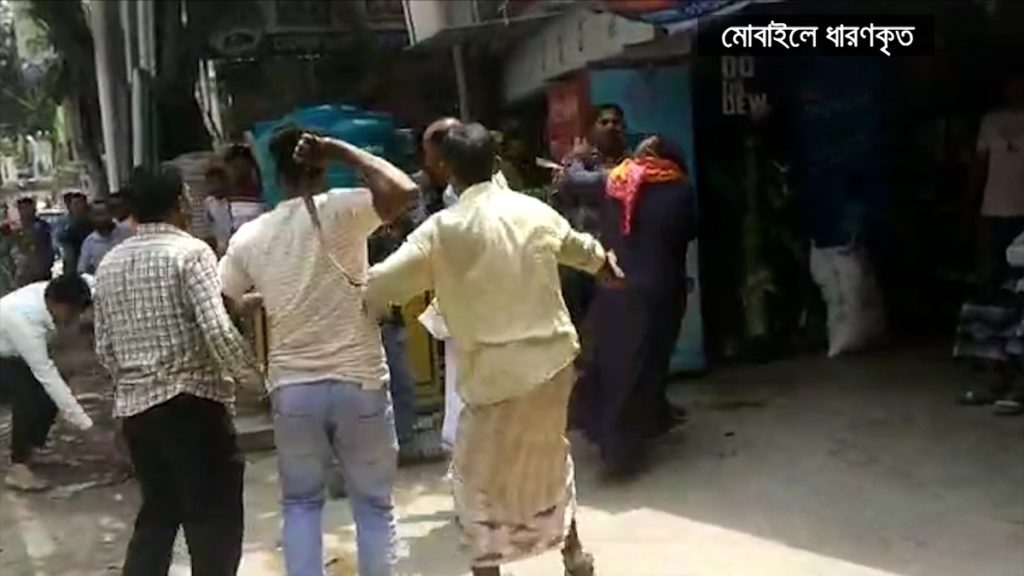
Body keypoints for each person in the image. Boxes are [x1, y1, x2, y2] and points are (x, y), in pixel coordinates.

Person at [365, 123, 622, 576]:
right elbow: (583, 250)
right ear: (497, 163)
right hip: (552, 365)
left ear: (446, 169)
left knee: (475, 482)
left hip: (494, 379)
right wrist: (606, 265)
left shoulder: (441, 230)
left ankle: (490, 569)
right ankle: (574, 556)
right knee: (550, 457)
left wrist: (348, 290)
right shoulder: (533, 210)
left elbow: (384, 284)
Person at [218, 126, 417, 576]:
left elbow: (224, 298)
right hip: (359, 381)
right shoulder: (344, 209)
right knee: (374, 505)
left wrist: (260, 301)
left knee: (301, 504)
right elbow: (404, 190)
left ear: (275, 174)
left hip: (293, 389)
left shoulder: (251, 236)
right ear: (321, 167)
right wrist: (344, 151)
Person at [93, 166, 260, 576]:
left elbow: (105, 349)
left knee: (158, 514)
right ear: (180, 202)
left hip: (137, 411)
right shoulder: (191, 252)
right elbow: (216, 330)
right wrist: (254, 380)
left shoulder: (110, 264)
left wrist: (134, 383)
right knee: (214, 519)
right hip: (193, 404)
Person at [572, 135, 697, 477]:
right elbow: (688, 232)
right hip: (663, 289)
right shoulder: (680, 189)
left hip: (617, 286)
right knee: (651, 362)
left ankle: (616, 442)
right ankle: (638, 432)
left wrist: (577, 157)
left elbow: (571, 181)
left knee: (616, 365)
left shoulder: (613, 181)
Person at [0, 274, 95, 491]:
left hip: (10, 354)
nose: (74, 319)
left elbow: (91, 282)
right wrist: (87, 426)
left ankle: (30, 449)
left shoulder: (55, 292)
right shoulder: (23, 320)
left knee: (48, 386)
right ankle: (18, 466)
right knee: (32, 387)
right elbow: (46, 376)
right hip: (5, 357)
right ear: (58, 305)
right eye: (72, 314)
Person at [555, 104, 629, 332]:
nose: (611, 127)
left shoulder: (632, 163)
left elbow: (588, 182)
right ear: (592, 130)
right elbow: (571, 185)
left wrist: (579, 170)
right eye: (604, 122)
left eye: (616, 122)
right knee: (582, 326)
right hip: (583, 260)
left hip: (620, 257)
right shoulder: (577, 163)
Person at [972, 73, 1024, 294]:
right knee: (988, 272)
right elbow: (980, 164)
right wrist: (970, 199)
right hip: (992, 209)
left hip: (1022, 210)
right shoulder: (990, 122)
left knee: (1018, 277)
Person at [77, 201, 133, 275]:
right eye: (97, 215)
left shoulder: (126, 232)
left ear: (111, 214)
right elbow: (82, 271)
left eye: (103, 214)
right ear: (90, 217)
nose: (101, 218)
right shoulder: (89, 243)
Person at [13, 197, 55, 286]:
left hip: (41, 273)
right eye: (21, 208)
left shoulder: (42, 226)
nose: (24, 212)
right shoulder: (16, 228)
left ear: (34, 209)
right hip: (22, 274)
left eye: (26, 208)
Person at [203, 164, 235, 255]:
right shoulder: (209, 202)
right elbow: (209, 225)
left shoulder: (232, 202)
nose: (213, 187)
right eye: (210, 183)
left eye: (216, 183)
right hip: (219, 248)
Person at [60, 192, 93, 277]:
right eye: (74, 204)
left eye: (79, 203)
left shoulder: (94, 223)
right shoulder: (67, 226)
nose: (77, 207)